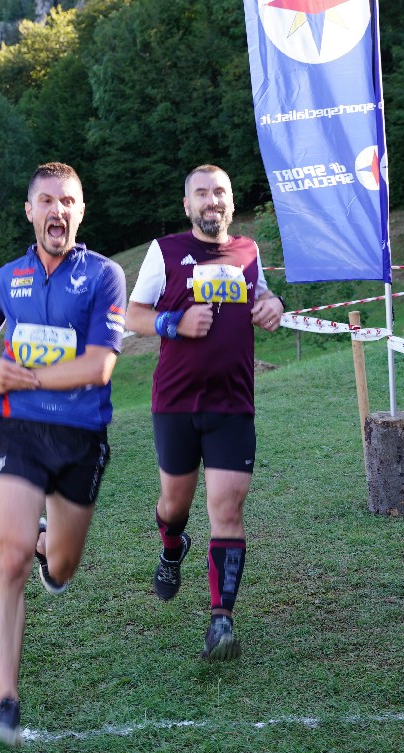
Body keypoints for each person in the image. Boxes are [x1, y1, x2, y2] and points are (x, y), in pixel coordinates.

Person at [0, 162, 126, 749]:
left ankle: (49, 543)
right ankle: (5, 704)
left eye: (68, 201)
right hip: (19, 431)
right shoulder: (8, 279)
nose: (58, 210)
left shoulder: (104, 275)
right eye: (47, 201)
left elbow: (99, 366)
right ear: (30, 211)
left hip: (80, 436)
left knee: (62, 568)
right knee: (10, 558)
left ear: (80, 212)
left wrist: (17, 374)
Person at [123, 164, 285, 662]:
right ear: (187, 204)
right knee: (175, 505)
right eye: (201, 193)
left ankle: (221, 620)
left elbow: (260, 294)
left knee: (228, 509)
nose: (211, 200)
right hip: (175, 402)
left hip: (232, 403)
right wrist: (174, 322)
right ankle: (172, 545)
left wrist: (273, 302)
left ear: (230, 201)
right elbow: (132, 314)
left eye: (219, 192)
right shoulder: (165, 251)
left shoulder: (249, 251)